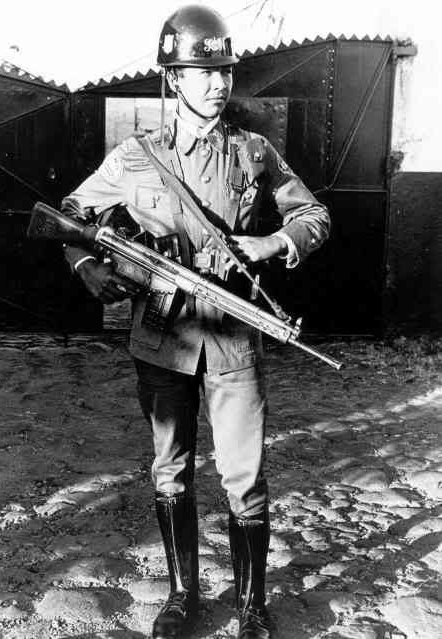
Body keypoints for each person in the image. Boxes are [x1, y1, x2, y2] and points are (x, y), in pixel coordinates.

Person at [61, 5, 330, 638]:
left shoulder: (254, 152)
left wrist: (269, 245)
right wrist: (87, 268)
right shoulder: (136, 158)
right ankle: (182, 597)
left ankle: (251, 607)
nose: (217, 83)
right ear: (172, 77)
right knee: (170, 468)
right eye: (200, 72)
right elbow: (70, 213)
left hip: (234, 340)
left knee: (244, 473)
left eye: (224, 72)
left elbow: (314, 216)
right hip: (160, 338)